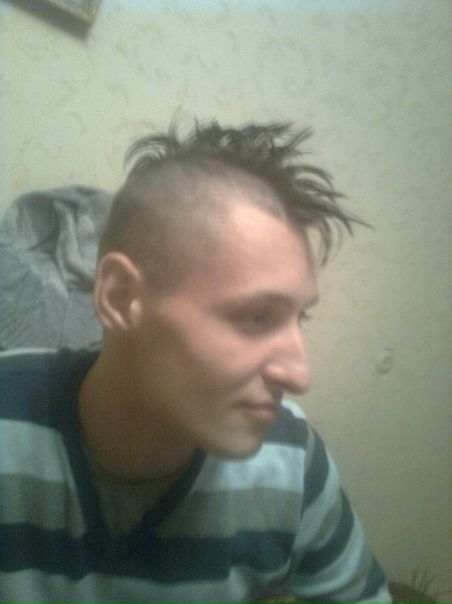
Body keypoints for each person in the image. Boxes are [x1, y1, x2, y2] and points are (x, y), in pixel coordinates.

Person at [0, 121, 392, 603]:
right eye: (256, 316)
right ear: (120, 297)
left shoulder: (291, 461)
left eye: (299, 318)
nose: (299, 375)